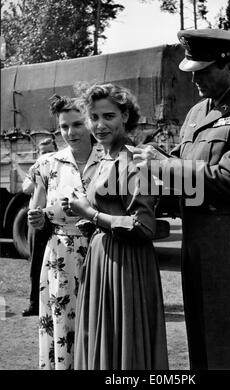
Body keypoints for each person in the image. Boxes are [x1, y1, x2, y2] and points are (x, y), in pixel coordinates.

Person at [133, 29, 230, 370]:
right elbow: (182, 171)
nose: (194, 77)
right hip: (195, 236)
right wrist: (147, 169)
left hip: (228, 237)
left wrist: (167, 165)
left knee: (228, 339)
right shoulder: (197, 112)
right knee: (199, 335)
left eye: (203, 70)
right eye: (192, 70)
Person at [68, 83, 169, 370]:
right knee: (103, 343)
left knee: (125, 348)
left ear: (125, 116)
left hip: (127, 265)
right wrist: (85, 214)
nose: (99, 125)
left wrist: (90, 213)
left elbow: (142, 226)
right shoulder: (104, 159)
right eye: (94, 117)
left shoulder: (134, 160)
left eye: (108, 116)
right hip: (102, 259)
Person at [27, 95, 102, 369]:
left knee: (97, 324)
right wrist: (37, 219)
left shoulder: (109, 158)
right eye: (64, 126)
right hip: (60, 258)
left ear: (91, 122)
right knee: (63, 326)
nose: (71, 132)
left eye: (78, 124)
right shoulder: (47, 164)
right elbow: (38, 210)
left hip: (102, 254)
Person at [22, 138, 58, 317]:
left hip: (52, 218)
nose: (47, 155)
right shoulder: (36, 168)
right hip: (36, 220)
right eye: (43, 152)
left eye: (50, 151)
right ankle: (34, 304)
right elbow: (25, 188)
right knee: (36, 262)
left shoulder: (60, 167)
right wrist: (37, 172)